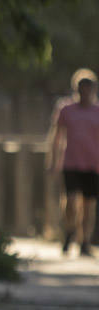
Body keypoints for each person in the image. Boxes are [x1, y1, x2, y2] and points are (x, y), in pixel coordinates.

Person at [48, 68, 99, 256]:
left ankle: (84, 240)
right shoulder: (66, 109)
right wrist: (52, 160)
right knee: (70, 200)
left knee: (88, 204)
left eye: (88, 88)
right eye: (81, 88)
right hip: (70, 162)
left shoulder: (97, 111)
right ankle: (69, 231)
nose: (84, 92)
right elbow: (56, 136)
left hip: (93, 163)